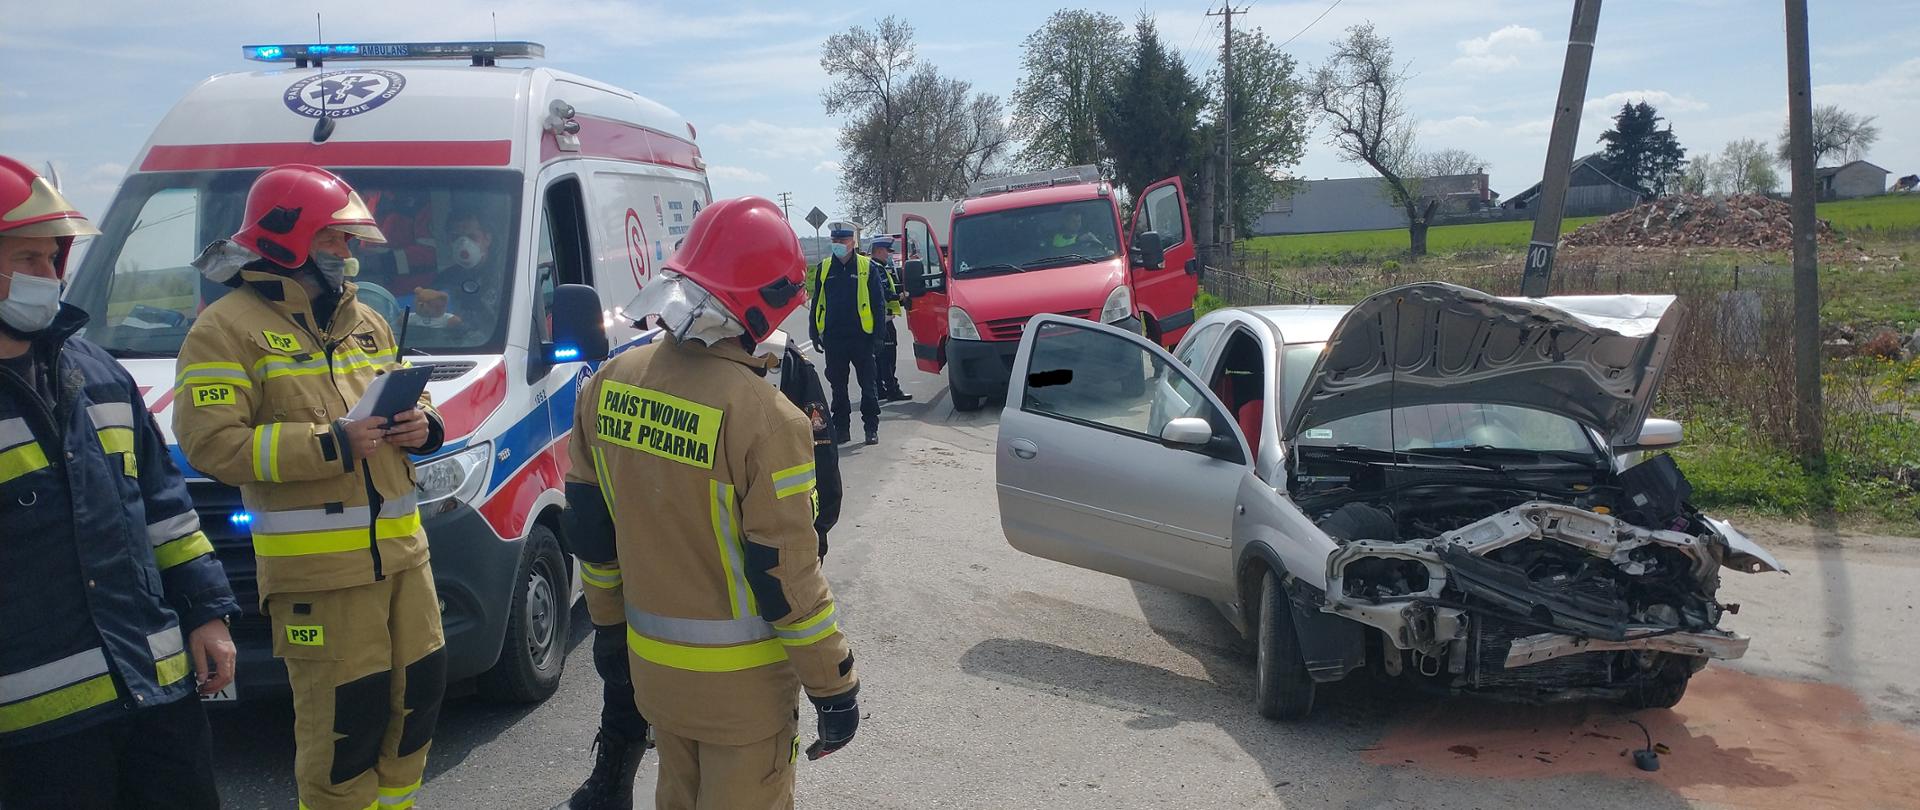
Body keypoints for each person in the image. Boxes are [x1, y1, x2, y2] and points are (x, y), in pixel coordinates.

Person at [563, 196, 860, 810]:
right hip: (742, 696)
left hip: (654, 679)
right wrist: (835, 685)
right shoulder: (767, 420)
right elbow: (787, 581)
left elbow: (593, 539)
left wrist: (609, 628)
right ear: (760, 307)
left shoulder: (605, 386)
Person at [174, 164, 447, 810]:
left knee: (416, 708)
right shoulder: (224, 328)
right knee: (342, 738)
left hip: (406, 561)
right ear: (287, 241)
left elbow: (411, 389)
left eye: (350, 244)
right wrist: (330, 444)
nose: (348, 258)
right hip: (320, 581)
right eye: (336, 242)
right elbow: (210, 445)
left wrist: (423, 425)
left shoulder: (366, 320)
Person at [0, 154, 241, 809]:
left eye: (55, 259)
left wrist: (207, 613)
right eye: (27, 259)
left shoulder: (93, 368)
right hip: (33, 727)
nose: (48, 277)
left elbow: (163, 507)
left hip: (155, 690)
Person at [807, 227, 888, 445]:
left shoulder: (866, 267)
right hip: (834, 338)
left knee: (868, 386)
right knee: (838, 388)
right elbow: (817, 302)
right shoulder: (825, 268)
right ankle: (842, 429)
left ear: (852, 242)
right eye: (834, 240)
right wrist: (814, 333)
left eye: (842, 239)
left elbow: (878, 303)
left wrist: (880, 335)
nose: (837, 243)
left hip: (861, 338)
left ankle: (871, 428)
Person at [412, 209, 504, 339]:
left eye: (472, 237)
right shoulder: (444, 280)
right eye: (455, 237)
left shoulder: (505, 278)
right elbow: (427, 321)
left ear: (487, 239)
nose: (463, 244)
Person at [867, 236, 911, 403]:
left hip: (876, 321)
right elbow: (885, 293)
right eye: (887, 251)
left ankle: (880, 389)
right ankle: (892, 389)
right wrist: (902, 296)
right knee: (887, 358)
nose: (889, 255)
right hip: (884, 321)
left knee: (878, 358)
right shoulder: (877, 269)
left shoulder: (871, 267)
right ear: (878, 251)